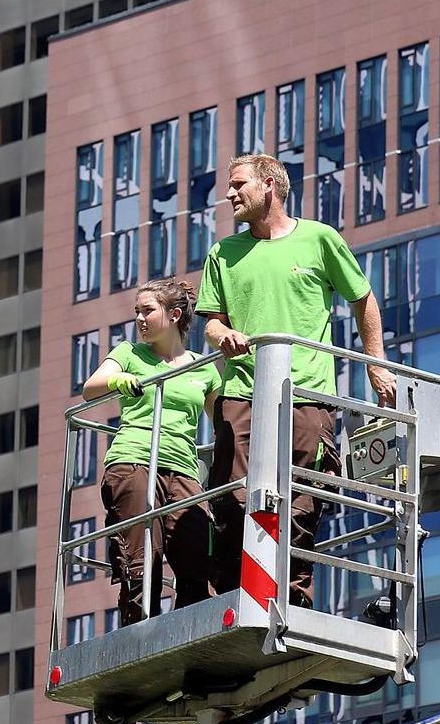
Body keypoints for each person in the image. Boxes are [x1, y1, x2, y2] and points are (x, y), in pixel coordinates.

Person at [197, 154, 396, 609]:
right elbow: (210, 322)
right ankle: (234, 599)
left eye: (237, 184)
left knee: (304, 500)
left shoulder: (319, 239)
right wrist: (222, 334)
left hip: (306, 394)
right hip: (243, 393)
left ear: (269, 185)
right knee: (232, 500)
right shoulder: (223, 254)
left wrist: (375, 364)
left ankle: (292, 602)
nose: (229, 194)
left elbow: (363, 300)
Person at [83, 278, 221, 626]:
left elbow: (223, 420)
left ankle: (189, 634)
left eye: (148, 311)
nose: (140, 319)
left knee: (196, 558)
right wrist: (116, 381)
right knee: (141, 563)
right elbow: (90, 389)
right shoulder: (130, 354)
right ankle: (138, 635)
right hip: (134, 461)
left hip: (182, 469)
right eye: (137, 312)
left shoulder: (200, 366)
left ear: (174, 314)